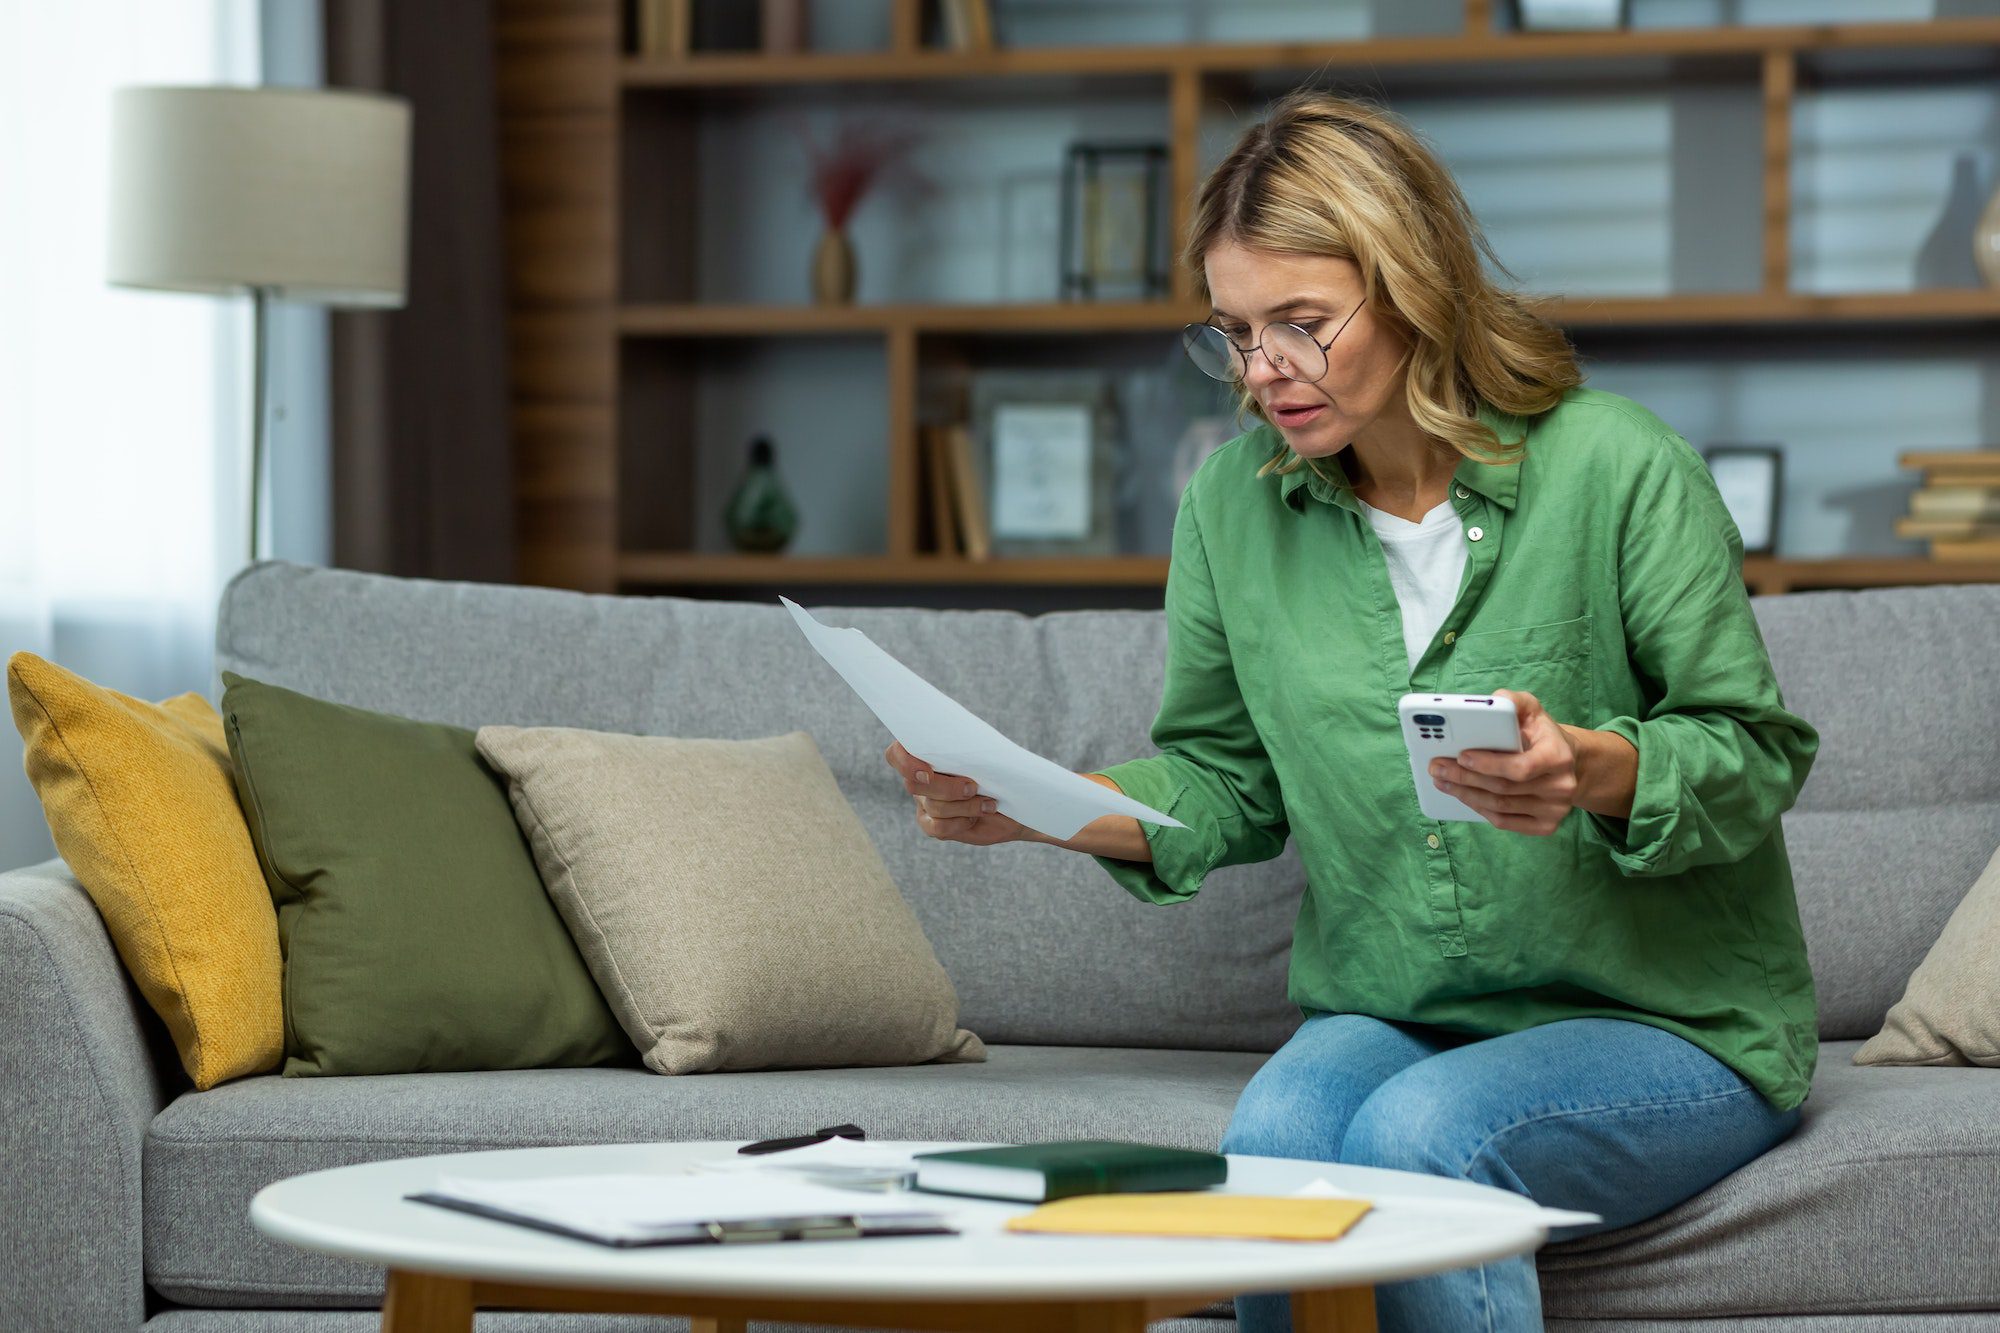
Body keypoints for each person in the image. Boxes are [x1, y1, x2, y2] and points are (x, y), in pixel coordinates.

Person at [883, 90, 1820, 1333]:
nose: (1260, 370)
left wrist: (1589, 768)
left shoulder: (1615, 465)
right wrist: (1039, 806)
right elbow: (1224, 781)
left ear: (1412, 287)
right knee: (1276, 1143)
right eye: (1232, 331)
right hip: (1399, 1006)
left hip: (1665, 1020)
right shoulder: (1230, 505)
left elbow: (1750, 751)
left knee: (1424, 1137)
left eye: (1301, 323)